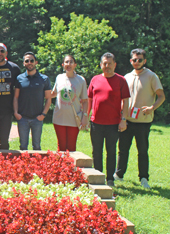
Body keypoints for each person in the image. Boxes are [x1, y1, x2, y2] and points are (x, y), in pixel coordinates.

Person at [115, 48, 165, 189]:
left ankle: (143, 178)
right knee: (123, 149)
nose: (137, 62)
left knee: (142, 150)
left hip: (143, 121)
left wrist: (152, 108)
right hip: (127, 120)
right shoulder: (126, 77)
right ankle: (119, 175)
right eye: (134, 60)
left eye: (140, 60)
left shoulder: (151, 76)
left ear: (145, 61)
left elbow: (161, 96)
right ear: (131, 61)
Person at [87, 52, 130, 187]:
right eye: (104, 63)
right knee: (96, 150)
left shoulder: (121, 80)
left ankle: (110, 178)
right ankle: (98, 175)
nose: (107, 66)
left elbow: (126, 101)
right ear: (101, 65)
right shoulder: (95, 79)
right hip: (96, 123)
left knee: (111, 151)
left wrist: (124, 119)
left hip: (113, 123)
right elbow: (89, 99)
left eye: (110, 63)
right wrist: (85, 116)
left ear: (114, 65)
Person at [14, 52, 52, 150]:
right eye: (27, 61)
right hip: (23, 118)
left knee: (37, 146)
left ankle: (37, 165)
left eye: (32, 60)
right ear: (24, 63)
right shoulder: (19, 78)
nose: (29, 62)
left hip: (37, 118)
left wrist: (43, 115)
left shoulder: (44, 79)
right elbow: (16, 97)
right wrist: (16, 113)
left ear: (36, 62)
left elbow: (48, 98)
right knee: (23, 146)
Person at [50, 55, 88, 151]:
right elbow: (53, 94)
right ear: (63, 65)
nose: (68, 64)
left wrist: (85, 117)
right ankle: (61, 166)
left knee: (71, 148)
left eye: (71, 62)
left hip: (74, 119)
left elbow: (85, 101)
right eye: (66, 62)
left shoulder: (81, 80)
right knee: (61, 147)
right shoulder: (59, 77)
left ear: (75, 65)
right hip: (59, 118)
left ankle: (71, 166)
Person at [0, 43, 21, 150]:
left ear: (6, 53)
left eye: (2, 51)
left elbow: (18, 90)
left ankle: (4, 165)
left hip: (7, 110)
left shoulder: (14, 68)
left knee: (4, 142)